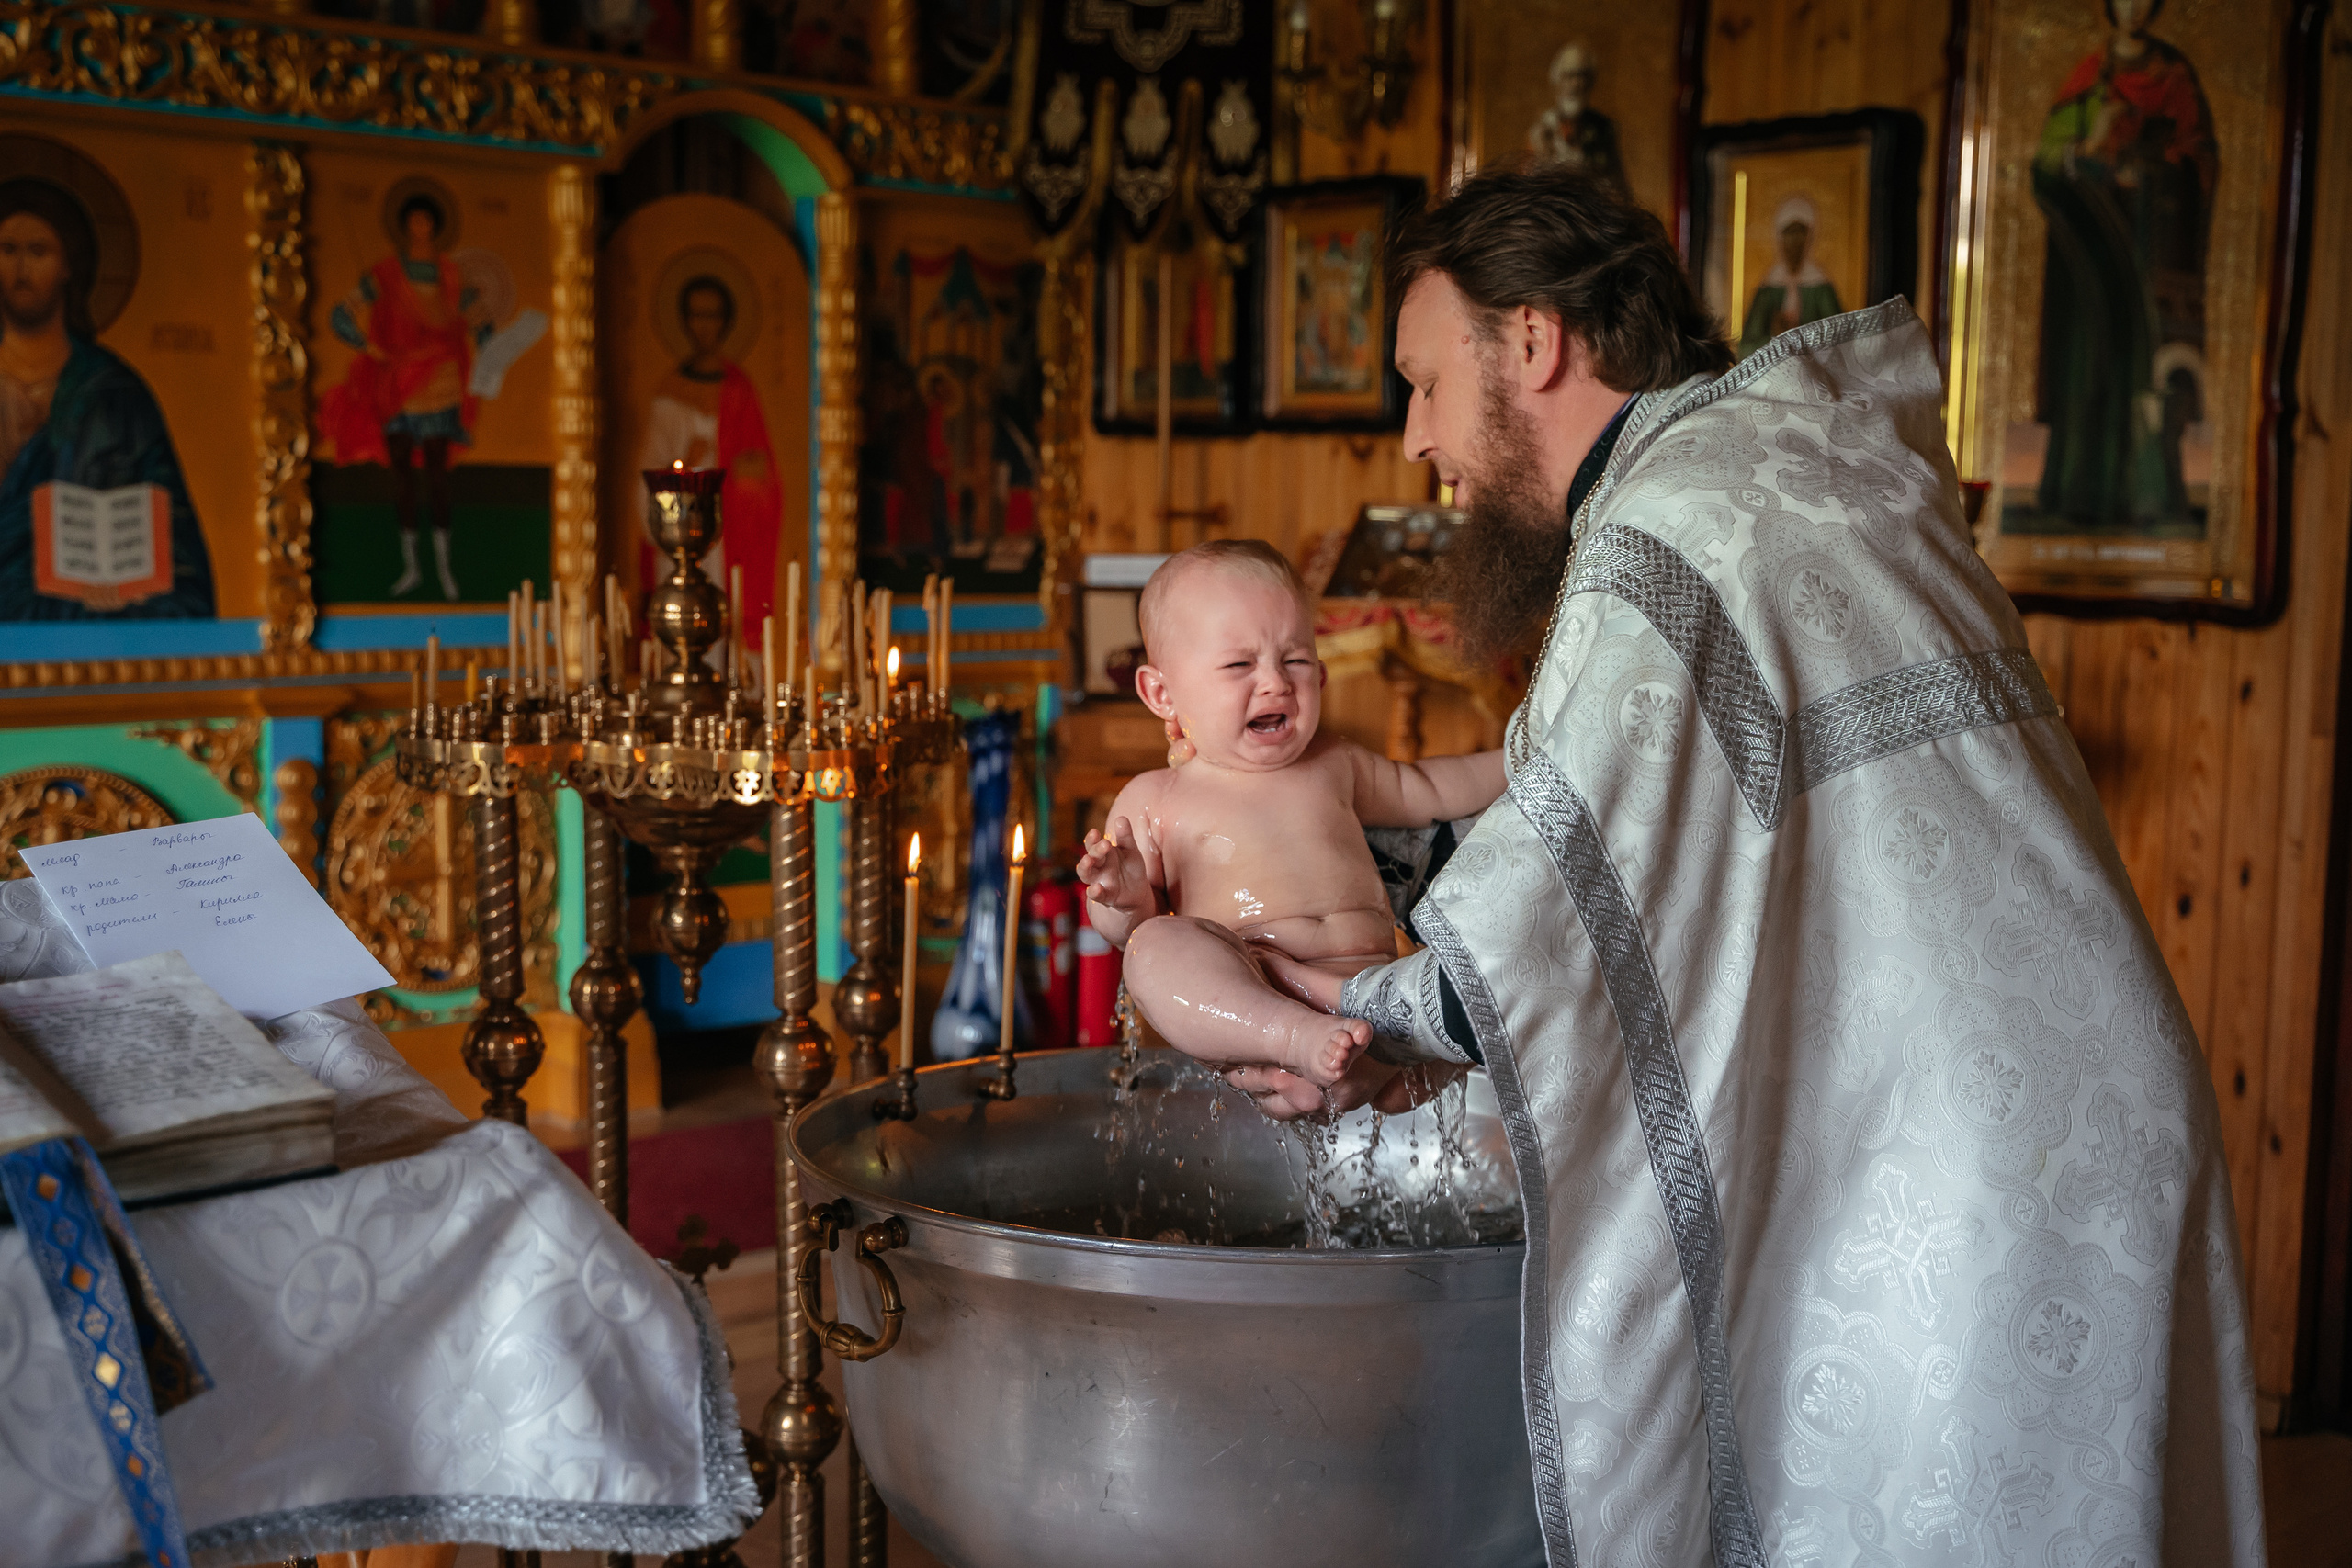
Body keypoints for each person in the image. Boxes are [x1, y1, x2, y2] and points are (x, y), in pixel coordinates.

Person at [1224, 164, 2264, 1565]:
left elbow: (1559, 917)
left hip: (1973, 1177)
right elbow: (1638, 840)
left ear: (1531, 343)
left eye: (1422, 380)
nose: (1412, 437)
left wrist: (1360, 1011)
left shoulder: (1665, 535)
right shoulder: (1785, 464)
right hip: (2075, 1117)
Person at [1073, 540, 1504, 1106]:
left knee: (1487, 949)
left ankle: (1411, 1067)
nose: (1276, 682)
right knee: (1152, 949)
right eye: (1239, 665)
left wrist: (1520, 753)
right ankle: (1293, 1038)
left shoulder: (1334, 763)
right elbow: (1122, 931)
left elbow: (1426, 790)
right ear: (1162, 693)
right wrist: (1121, 899)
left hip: (1373, 1008)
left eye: (1296, 660)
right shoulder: (1156, 798)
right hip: (1260, 1002)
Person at [2030, 0, 2216, 530]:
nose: (2133, 7)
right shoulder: (2090, 75)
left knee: (2137, 366)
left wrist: (2148, 167)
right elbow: (2046, 159)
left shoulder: (2174, 78)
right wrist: (2086, 150)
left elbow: (2198, 157)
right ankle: (2074, 492)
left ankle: (2144, 494)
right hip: (2088, 254)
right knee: (2085, 364)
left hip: (2143, 248)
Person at [0, 179, 215, 620]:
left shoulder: (114, 393)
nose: (21, 267)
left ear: (68, 266)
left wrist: (133, 583)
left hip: (79, 627)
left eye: (38, 251)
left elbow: (174, 542)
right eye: (7, 249)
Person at [319, 190, 492, 601]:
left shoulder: (449, 275)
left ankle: (446, 569)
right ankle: (412, 567)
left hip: (439, 379)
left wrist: (487, 340)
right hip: (397, 382)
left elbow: (478, 320)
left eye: (426, 222)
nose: (420, 229)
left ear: (435, 226)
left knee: (437, 478)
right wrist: (370, 348)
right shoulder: (384, 274)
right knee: (402, 480)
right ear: (405, 226)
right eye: (413, 222)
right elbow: (340, 315)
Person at [636, 274, 783, 626]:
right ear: (684, 320)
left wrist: (732, 471)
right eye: (696, 315)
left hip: (725, 535)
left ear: (727, 321)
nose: (704, 326)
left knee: (719, 623)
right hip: (678, 533)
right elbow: (648, 475)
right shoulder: (668, 390)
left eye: (713, 315)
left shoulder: (739, 389)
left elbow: (763, 476)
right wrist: (688, 462)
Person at [1737, 193, 1844, 356]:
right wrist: (1775, 338)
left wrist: (1798, 339)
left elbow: (1842, 343)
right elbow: (1745, 348)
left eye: (1801, 232)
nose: (1795, 241)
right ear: (1778, 235)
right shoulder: (1768, 289)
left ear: (1811, 235)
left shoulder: (1821, 287)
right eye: (1789, 232)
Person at [1526, 41, 1627, 195]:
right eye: (1569, 76)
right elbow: (1529, 184)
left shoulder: (1604, 129)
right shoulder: (1541, 130)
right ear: (1557, 81)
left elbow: (1618, 184)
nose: (1575, 84)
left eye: (1582, 76)